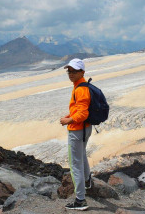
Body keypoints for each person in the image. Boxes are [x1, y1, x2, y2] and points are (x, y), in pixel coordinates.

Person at [60, 58, 92, 211]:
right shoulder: (81, 86)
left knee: (75, 165)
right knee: (82, 155)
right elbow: (79, 109)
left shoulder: (80, 89)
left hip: (77, 130)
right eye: (69, 71)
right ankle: (87, 181)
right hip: (85, 129)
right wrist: (70, 115)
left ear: (82, 72)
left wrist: (69, 120)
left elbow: (83, 113)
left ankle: (80, 200)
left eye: (74, 71)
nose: (70, 74)